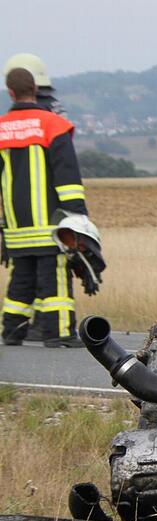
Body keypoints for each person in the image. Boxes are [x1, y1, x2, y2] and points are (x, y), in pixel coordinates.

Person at [1, 67, 88, 347]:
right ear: (36, 90)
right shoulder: (54, 126)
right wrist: (77, 221)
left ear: (10, 92)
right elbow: (68, 180)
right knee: (56, 280)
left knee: (21, 279)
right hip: (51, 227)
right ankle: (59, 333)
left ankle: (12, 330)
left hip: (15, 229)